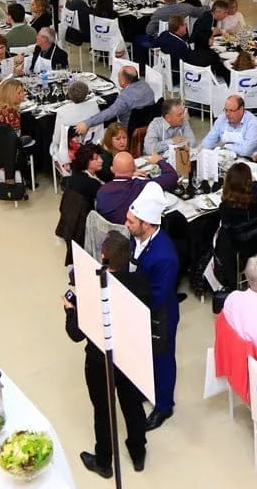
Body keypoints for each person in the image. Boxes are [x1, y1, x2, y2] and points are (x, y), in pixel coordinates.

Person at [66, 231, 151, 478]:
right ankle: (138, 453)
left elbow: (76, 334)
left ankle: (104, 461)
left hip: (99, 361)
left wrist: (70, 310)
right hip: (130, 356)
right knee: (133, 404)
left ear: (103, 257)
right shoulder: (140, 283)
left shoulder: (94, 292)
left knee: (103, 410)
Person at [126, 184, 180, 430]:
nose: (126, 224)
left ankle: (164, 406)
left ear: (146, 224)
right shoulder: (136, 236)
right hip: (137, 305)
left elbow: (158, 296)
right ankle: (145, 388)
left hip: (159, 312)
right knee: (142, 354)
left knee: (162, 358)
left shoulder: (165, 256)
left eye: (131, 221)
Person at [76, 67, 157, 134]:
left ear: (123, 81)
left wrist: (87, 123)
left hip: (129, 128)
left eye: (119, 77)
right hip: (148, 125)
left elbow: (109, 113)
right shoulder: (146, 86)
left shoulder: (125, 98)